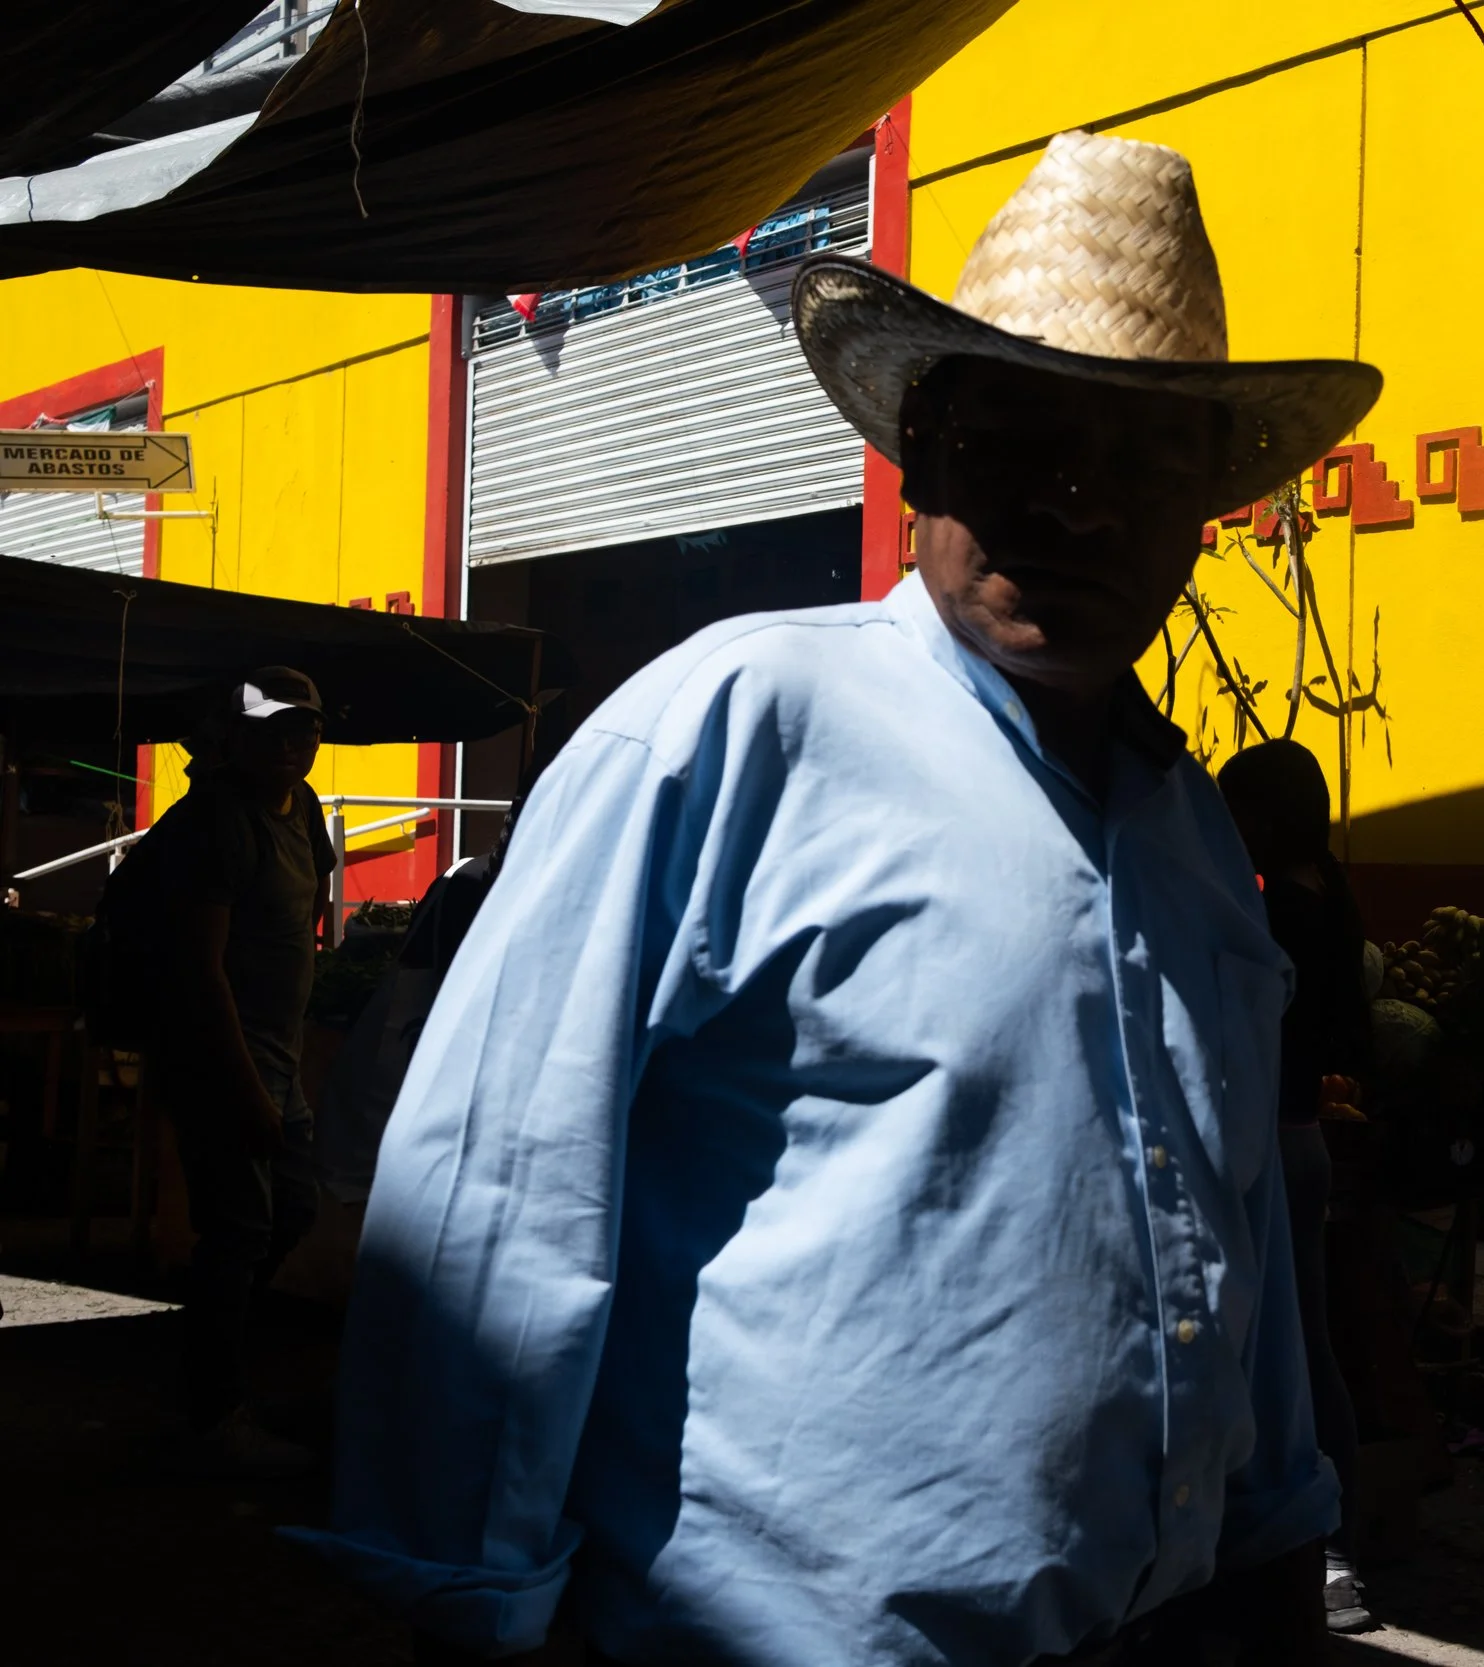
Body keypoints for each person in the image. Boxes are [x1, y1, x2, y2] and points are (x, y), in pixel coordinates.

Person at [297, 131, 1382, 1667]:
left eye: (1135, 463)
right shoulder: (735, 725)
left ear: (1203, 509)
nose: (1072, 511)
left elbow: (1237, 1230)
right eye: (1019, 447)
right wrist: (452, 1592)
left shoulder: (1195, 832)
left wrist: (1276, 1529)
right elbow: (494, 1213)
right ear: (925, 452)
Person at [142, 666, 333, 1476]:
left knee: (290, 1208)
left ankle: (219, 1380)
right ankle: (212, 1415)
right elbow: (199, 968)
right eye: (274, 727)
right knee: (241, 1228)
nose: (292, 741)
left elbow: (312, 910)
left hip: (277, 1060)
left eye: (304, 727)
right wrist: (247, 1086)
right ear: (239, 735)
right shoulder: (215, 822)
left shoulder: (306, 812)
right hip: (220, 1055)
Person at [1215, 741, 1376, 1635]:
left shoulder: (1284, 919)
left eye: (1239, 815)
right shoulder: (1326, 892)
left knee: (1300, 1357)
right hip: (1298, 1140)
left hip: (1278, 1148)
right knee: (1305, 1348)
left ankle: (1334, 1558)